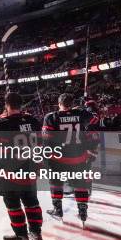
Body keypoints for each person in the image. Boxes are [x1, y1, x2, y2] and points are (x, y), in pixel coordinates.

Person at [0, 92, 43, 240]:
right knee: (31, 201)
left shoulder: (2, 124)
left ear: (6, 105)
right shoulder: (34, 121)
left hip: (10, 173)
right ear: (22, 105)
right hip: (31, 170)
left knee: (13, 204)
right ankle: (36, 232)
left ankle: (21, 236)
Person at [43, 93, 99, 226]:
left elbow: (47, 141)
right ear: (73, 103)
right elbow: (95, 119)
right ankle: (82, 211)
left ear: (59, 103)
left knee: (56, 183)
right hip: (78, 157)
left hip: (59, 158)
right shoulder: (81, 113)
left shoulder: (51, 117)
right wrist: (86, 109)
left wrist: (46, 158)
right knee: (80, 184)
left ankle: (58, 209)